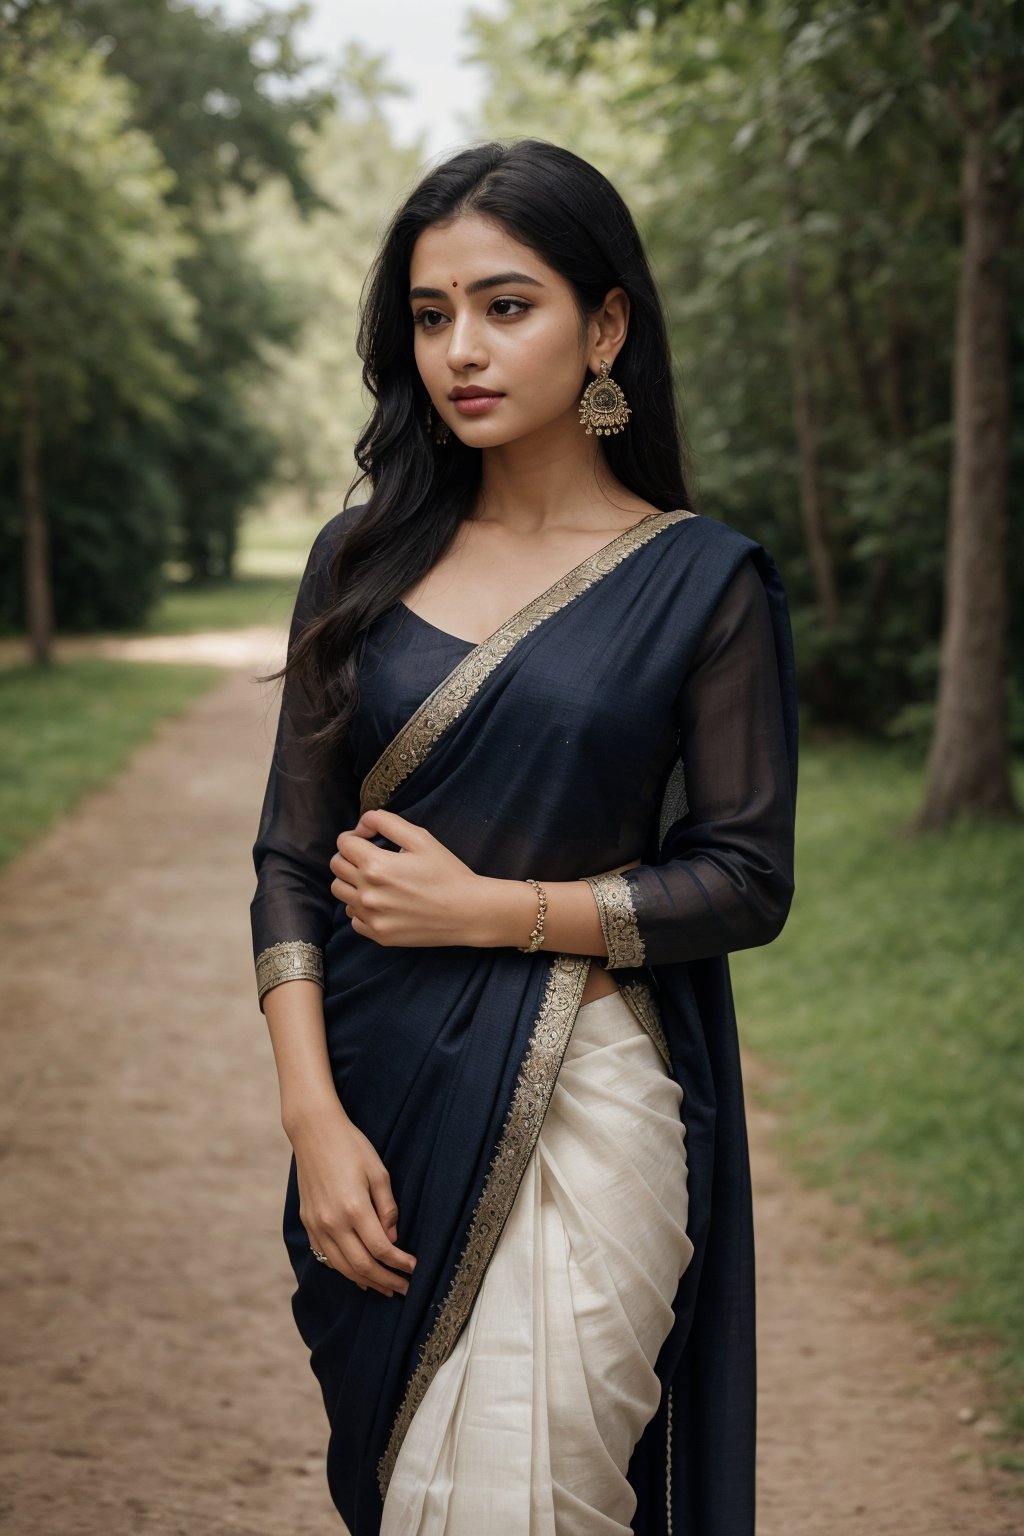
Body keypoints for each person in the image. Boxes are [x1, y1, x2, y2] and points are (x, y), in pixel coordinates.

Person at [250, 137, 798, 1536]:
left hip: (596, 1103)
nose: (461, 351)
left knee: (528, 1495)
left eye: (507, 305)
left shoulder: (702, 580)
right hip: (380, 1099)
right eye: (431, 317)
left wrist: (495, 910)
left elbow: (744, 879)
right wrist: (313, 1118)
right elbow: (290, 863)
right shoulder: (360, 560)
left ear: (605, 325)